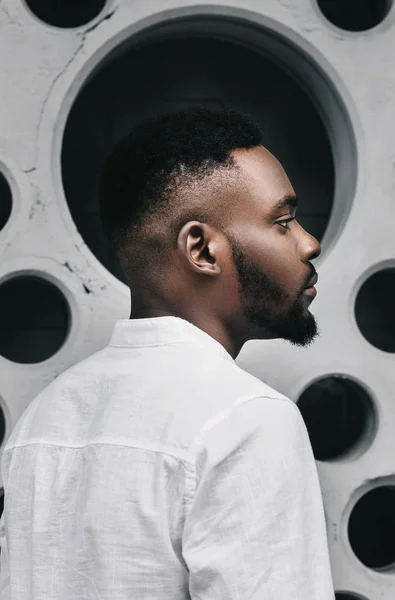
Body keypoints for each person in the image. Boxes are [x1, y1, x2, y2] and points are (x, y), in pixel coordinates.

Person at [0, 106, 335, 598]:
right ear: (201, 250)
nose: (311, 242)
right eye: (283, 221)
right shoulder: (247, 421)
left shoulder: (40, 423)